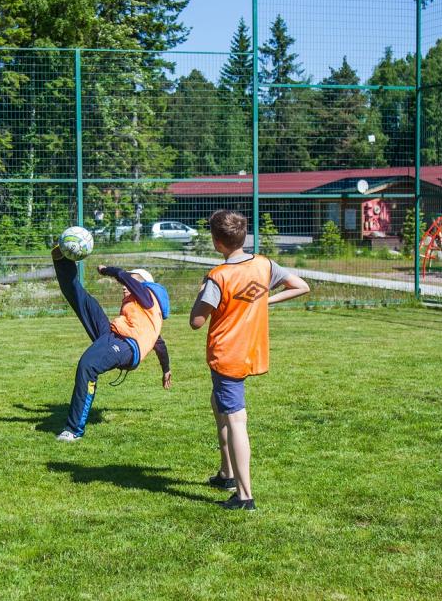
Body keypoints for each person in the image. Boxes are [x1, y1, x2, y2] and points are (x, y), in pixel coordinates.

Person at [189, 210, 309, 510]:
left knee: (236, 419)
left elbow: (196, 321)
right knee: (219, 406)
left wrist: (203, 291)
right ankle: (227, 473)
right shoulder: (264, 264)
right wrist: (265, 299)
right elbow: (301, 286)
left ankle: (244, 496)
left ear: (217, 243)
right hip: (249, 351)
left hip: (228, 355)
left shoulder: (218, 276)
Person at [52, 245, 171, 441]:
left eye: (133, 281)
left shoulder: (148, 297)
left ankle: (73, 430)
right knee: (85, 301)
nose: (125, 286)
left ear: (144, 285)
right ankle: (62, 262)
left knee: (88, 365)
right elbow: (160, 345)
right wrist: (166, 369)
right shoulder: (147, 317)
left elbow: (123, 276)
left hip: (126, 346)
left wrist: (106, 270)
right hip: (113, 335)